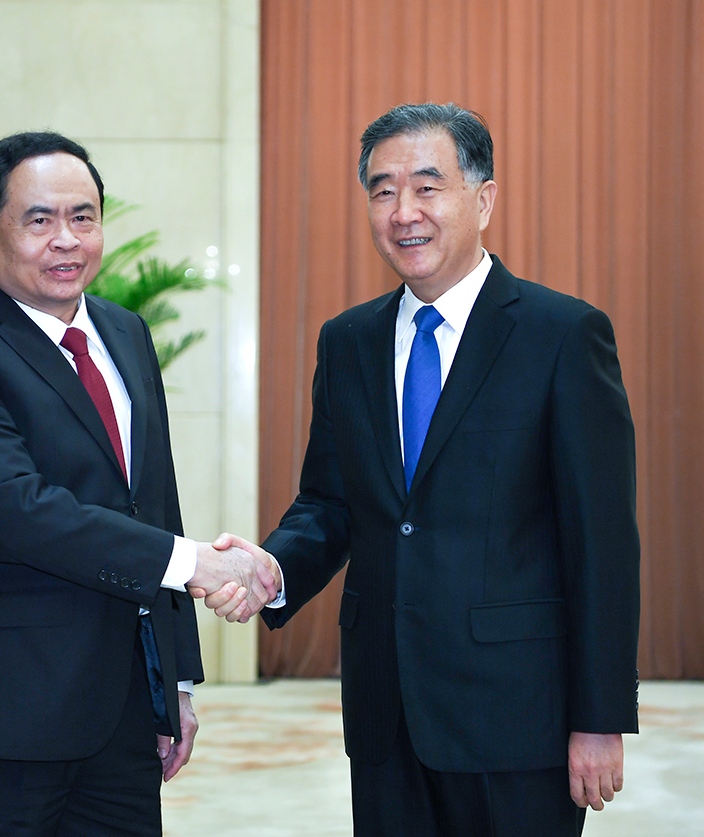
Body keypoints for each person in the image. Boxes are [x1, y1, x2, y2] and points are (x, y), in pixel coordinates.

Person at [202, 103, 640, 836]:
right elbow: (330, 503)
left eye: (427, 187)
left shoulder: (563, 335)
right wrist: (273, 568)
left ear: (484, 199)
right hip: (386, 714)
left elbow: (603, 544)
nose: (403, 211)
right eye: (382, 190)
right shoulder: (348, 341)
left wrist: (599, 717)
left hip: (517, 719)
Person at [0, 130, 276, 836]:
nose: (66, 239)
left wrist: (176, 684)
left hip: (124, 713)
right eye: (39, 220)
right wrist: (195, 563)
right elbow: (18, 513)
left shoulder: (125, 332)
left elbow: (154, 501)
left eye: (83, 217)